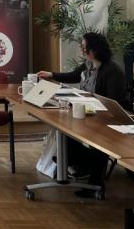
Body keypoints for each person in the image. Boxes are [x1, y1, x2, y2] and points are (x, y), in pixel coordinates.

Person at [37, 31, 126, 197]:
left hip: (106, 119)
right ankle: (74, 160)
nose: (82, 50)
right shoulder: (88, 65)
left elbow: (114, 102)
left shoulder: (112, 71)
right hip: (88, 113)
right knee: (65, 128)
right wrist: (51, 75)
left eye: (84, 47)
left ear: (95, 50)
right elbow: (74, 75)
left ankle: (90, 176)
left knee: (96, 140)